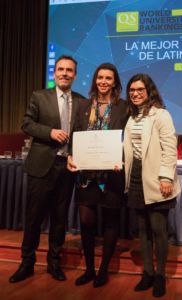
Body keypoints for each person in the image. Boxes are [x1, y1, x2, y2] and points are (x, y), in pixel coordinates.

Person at [9, 55, 85, 283]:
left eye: (69, 70)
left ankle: (54, 263)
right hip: (41, 166)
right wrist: (50, 132)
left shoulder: (82, 102)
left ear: (75, 75)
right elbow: (27, 123)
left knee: (60, 219)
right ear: (54, 73)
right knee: (33, 219)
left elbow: (82, 134)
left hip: (67, 168)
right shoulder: (39, 96)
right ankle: (27, 263)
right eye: (60, 69)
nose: (64, 73)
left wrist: (76, 154)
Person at [67, 63, 128, 287]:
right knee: (86, 221)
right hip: (86, 176)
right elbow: (75, 135)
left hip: (112, 176)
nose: (103, 81)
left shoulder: (124, 107)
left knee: (111, 223)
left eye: (108, 78)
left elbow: (128, 140)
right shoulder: (84, 105)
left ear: (115, 82)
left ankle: (103, 271)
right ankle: (90, 269)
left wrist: (122, 158)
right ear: (95, 80)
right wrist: (71, 156)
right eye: (100, 77)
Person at [123, 74, 180, 297]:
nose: (135, 94)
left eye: (140, 90)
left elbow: (169, 148)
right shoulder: (131, 116)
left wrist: (166, 177)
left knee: (158, 230)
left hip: (157, 178)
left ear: (149, 91)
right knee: (142, 230)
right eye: (132, 90)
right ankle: (147, 272)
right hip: (136, 177)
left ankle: (160, 275)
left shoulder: (161, 115)